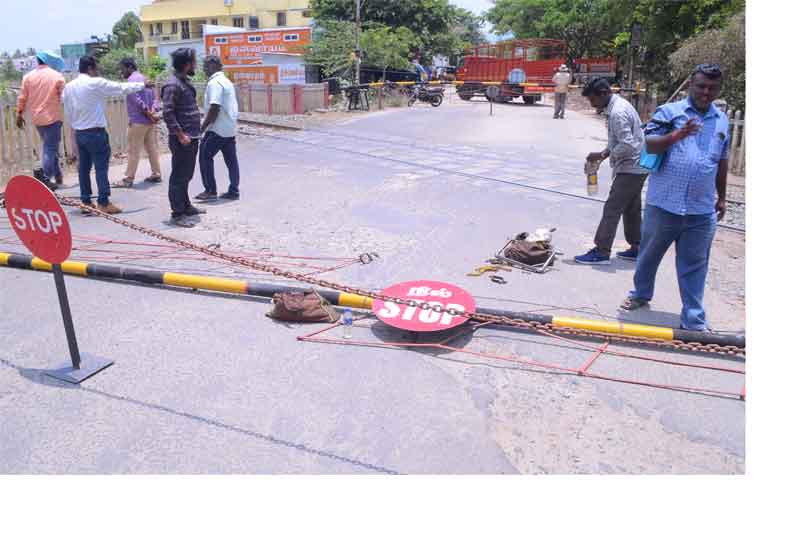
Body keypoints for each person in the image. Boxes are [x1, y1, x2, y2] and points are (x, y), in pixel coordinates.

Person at [621, 64, 730, 332]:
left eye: (712, 88)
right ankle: (640, 294)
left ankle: (693, 319)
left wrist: (722, 196)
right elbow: (649, 143)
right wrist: (677, 135)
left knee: (695, 265)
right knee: (649, 254)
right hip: (664, 203)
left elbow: (723, 160)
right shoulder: (670, 112)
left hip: (701, 210)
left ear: (718, 89)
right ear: (690, 85)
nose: (706, 92)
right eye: (701, 86)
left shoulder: (721, 120)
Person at [62, 55, 153, 215]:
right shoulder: (94, 83)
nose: (97, 71)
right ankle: (103, 202)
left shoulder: (69, 87)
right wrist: (142, 84)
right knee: (101, 168)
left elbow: (68, 111)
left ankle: (86, 201)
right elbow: (120, 88)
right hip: (96, 133)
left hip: (80, 133)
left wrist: (74, 133)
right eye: (96, 68)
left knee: (83, 169)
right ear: (90, 68)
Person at [575, 78, 648, 265]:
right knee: (631, 208)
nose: (592, 104)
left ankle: (601, 250)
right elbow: (619, 140)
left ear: (603, 94)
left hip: (631, 166)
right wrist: (604, 154)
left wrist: (603, 154)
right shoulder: (618, 106)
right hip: (637, 165)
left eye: (592, 100)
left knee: (612, 208)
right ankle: (637, 247)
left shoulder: (618, 113)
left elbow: (627, 144)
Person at [161, 47, 204, 227]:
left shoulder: (184, 82)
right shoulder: (173, 85)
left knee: (186, 174)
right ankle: (177, 213)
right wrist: (180, 135)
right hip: (183, 139)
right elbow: (168, 113)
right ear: (187, 65)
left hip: (191, 137)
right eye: (194, 62)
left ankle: (186, 206)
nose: (196, 65)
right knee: (179, 176)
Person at [16, 50, 66, 190]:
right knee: (50, 148)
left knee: (50, 146)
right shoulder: (57, 76)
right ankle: (44, 180)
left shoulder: (28, 77)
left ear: (38, 60)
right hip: (53, 118)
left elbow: (22, 98)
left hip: (37, 119)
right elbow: (65, 97)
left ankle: (58, 175)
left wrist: (19, 114)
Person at [195, 55, 240, 202]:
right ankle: (234, 190)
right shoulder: (226, 81)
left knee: (204, 156)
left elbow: (214, 107)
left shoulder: (214, 83)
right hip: (230, 128)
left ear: (213, 65)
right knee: (231, 160)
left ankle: (210, 190)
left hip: (217, 129)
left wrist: (202, 128)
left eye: (205, 66)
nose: (203, 69)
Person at [113, 57, 162, 188]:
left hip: (138, 121)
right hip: (150, 122)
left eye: (122, 69)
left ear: (129, 67)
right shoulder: (144, 78)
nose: (121, 72)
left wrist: (147, 112)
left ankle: (128, 178)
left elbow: (136, 100)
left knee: (133, 150)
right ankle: (156, 173)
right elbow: (156, 97)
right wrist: (153, 111)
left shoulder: (131, 81)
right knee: (151, 148)